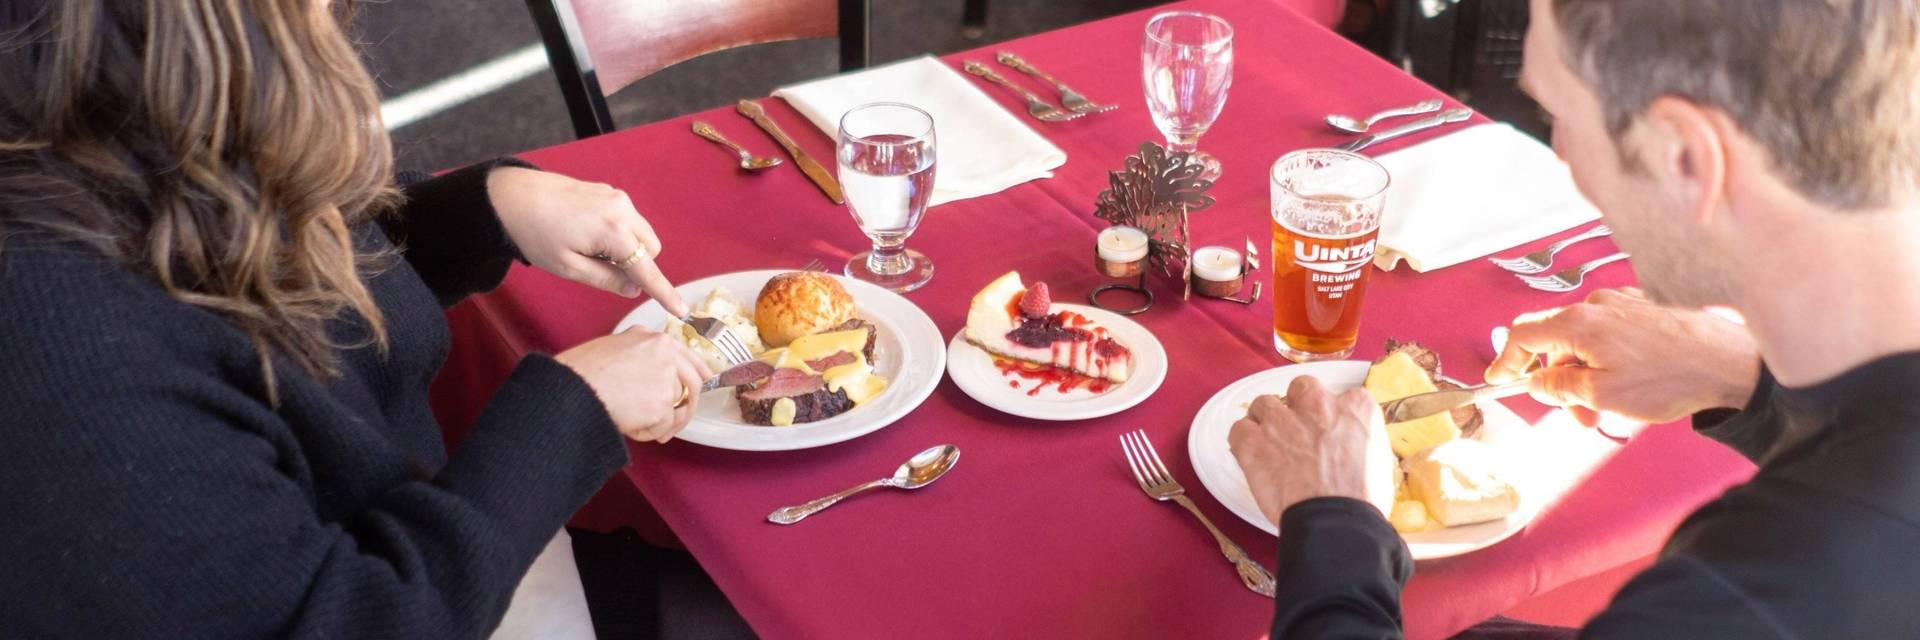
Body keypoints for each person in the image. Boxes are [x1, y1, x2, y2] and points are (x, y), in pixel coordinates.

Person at [0, 1, 709, 636]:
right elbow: (355, 613)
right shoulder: (62, 362)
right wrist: (568, 413)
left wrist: (485, 211)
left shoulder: (130, 132)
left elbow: (276, 300)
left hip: (426, 537)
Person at [1230, 0, 1920, 637]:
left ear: (1686, 155)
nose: (1557, 153)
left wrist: (1333, 523)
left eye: (1556, 116)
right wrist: (1745, 377)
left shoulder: (1755, 592)